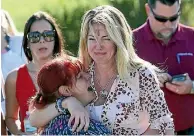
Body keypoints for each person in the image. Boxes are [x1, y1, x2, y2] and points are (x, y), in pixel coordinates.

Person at [29, 5, 174, 135]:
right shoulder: (80, 72)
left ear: (119, 40)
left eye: (106, 38)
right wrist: (68, 103)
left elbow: (163, 123)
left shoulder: (141, 74)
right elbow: (35, 119)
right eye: (92, 38)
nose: (98, 46)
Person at [133, 0, 194, 135]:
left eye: (174, 18)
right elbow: (112, 86)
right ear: (148, 10)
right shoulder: (131, 42)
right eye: (161, 19)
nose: (168, 24)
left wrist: (192, 86)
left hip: (191, 132)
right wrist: (146, 80)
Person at [4, 11, 65, 135]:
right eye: (34, 36)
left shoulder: (70, 71)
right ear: (27, 43)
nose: (42, 40)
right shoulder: (13, 78)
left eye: (47, 35)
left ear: (55, 39)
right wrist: (20, 134)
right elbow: (10, 119)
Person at [29, 57, 111, 135]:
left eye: (86, 72)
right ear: (66, 90)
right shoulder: (71, 126)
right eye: (80, 77)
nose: (89, 75)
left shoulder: (56, 119)